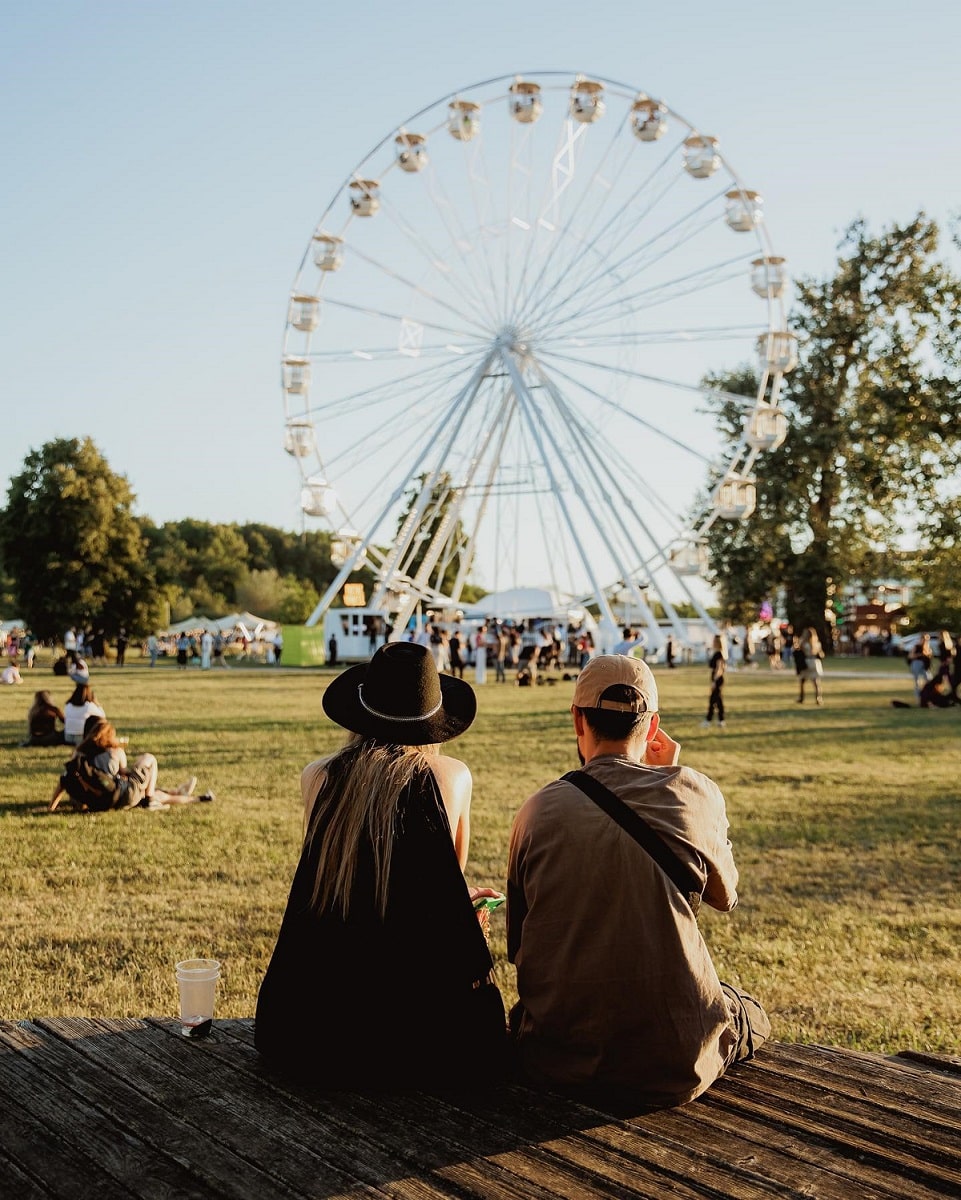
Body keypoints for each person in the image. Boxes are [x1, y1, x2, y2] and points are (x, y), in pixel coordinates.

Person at [507, 655, 769, 1108]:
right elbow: (725, 896)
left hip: (556, 1058)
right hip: (674, 1064)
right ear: (653, 728)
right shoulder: (694, 793)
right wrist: (671, 778)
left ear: (578, 719)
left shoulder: (536, 811)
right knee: (750, 1011)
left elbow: (518, 945)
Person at [255, 641, 508, 1087]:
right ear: (433, 720)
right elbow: (450, 874)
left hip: (314, 1027)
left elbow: (348, 879)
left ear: (359, 711)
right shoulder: (452, 777)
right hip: (423, 1031)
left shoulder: (317, 776)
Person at [49, 718, 213, 812]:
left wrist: (51, 807)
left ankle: (182, 793)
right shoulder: (115, 752)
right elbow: (124, 773)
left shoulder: (78, 755)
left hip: (100, 799)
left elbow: (64, 781)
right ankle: (165, 798)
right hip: (121, 794)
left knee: (156, 793)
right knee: (149, 760)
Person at [702, 634, 726, 728]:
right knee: (718, 700)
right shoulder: (717, 653)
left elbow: (719, 669)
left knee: (713, 700)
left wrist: (714, 681)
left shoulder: (719, 654)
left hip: (717, 680)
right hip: (717, 679)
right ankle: (721, 720)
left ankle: (708, 720)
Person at [797, 628, 824, 705]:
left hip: (807, 662)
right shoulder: (817, 643)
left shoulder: (805, 644)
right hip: (815, 662)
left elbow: (799, 650)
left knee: (802, 681)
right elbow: (821, 654)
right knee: (816, 682)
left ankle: (801, 698)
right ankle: (818, 698)